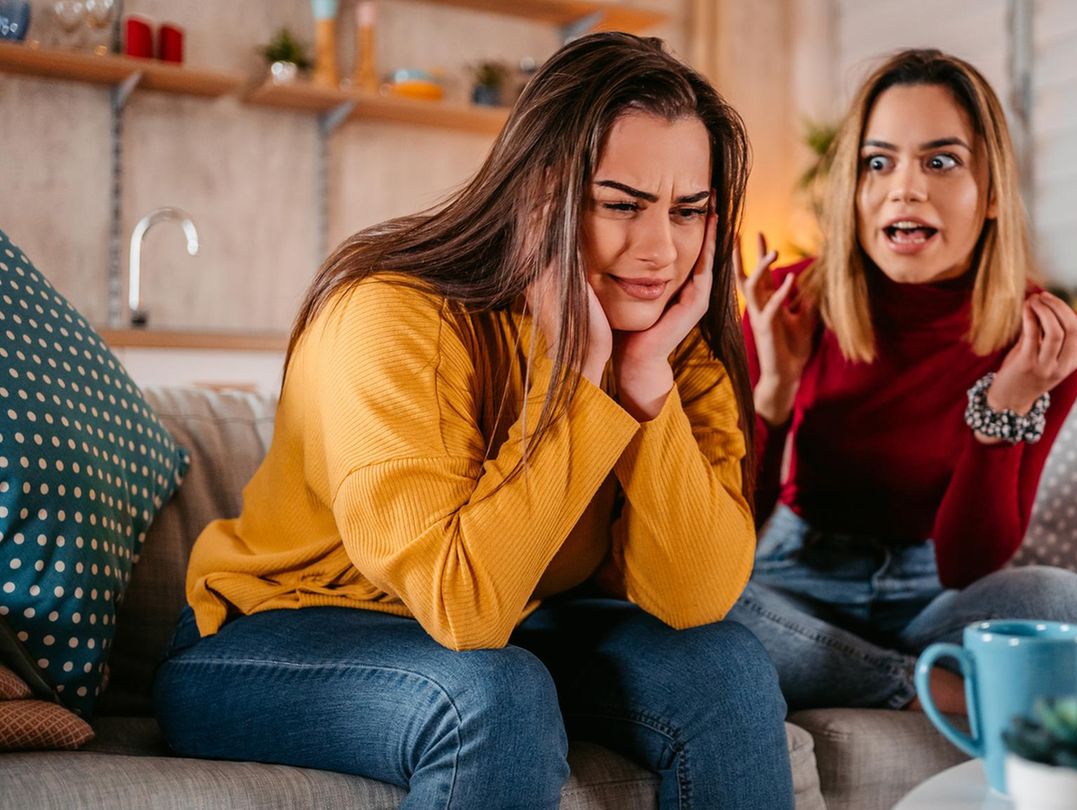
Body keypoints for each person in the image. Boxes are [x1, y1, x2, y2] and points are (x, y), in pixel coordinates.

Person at [153, 33, 793, 810]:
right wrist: (577, 378)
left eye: (688, 212)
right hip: (276, 638)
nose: (660, 249)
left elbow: (693, 598)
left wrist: (643, 387)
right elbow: (463, 606)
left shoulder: (668, 346)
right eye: (622, 205)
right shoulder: (391, 317)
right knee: (493, 693)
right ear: (540, 195)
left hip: (510, 625)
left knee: (725, 665)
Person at [729, 49, 1077, 714]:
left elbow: (969, 566)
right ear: (854, 189)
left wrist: (1004, 409)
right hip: (794, 581)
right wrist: (773, 399)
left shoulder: (1042, 338)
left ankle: (858, 672)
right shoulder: (790, 300)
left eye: (941, 161)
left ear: (993, 193)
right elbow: (732, 532)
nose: (905, 188)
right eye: (879, 163)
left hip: (932, 594)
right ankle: (922, 687)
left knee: (1067, 605)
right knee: (699, 609)